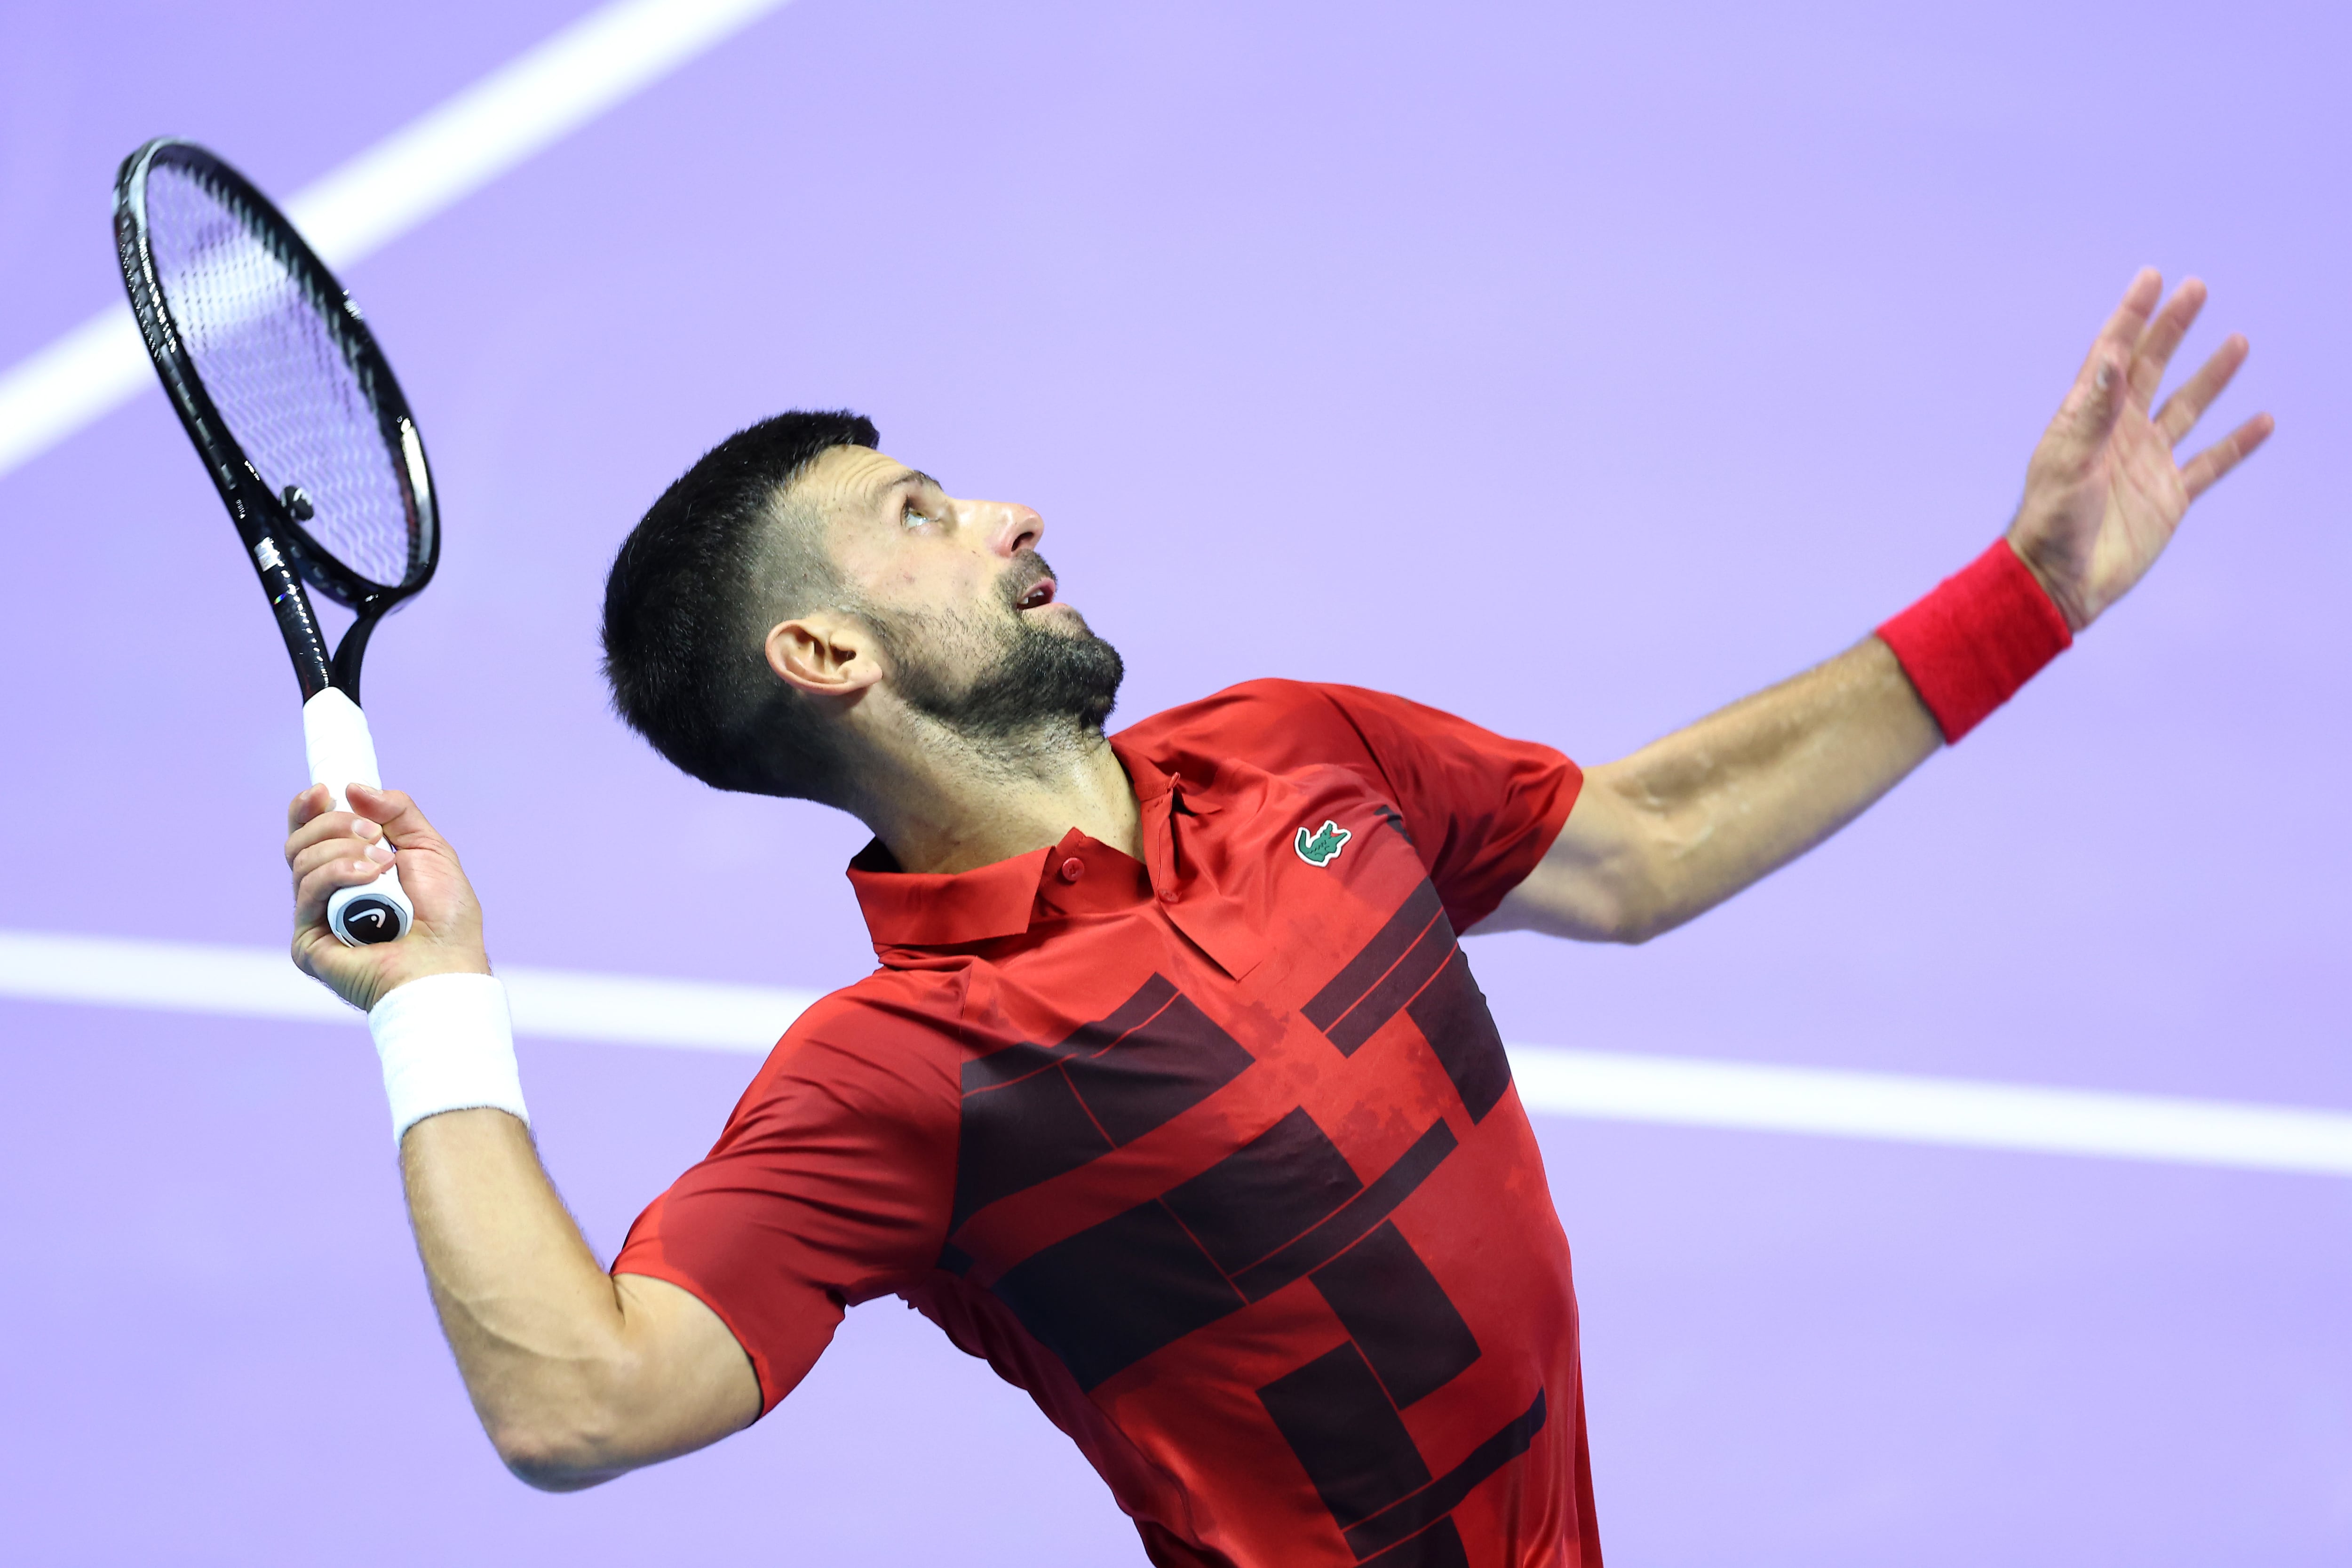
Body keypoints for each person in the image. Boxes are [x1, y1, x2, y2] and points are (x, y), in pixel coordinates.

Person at [283, 271, 2268, 1567]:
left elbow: (1644, 840)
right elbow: (577, 1394)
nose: (1005, 516)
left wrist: (2031, 593)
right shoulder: (909, 1078)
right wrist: (433, 1008)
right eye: (919, 515)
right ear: (822, 652)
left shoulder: (1295, 756)